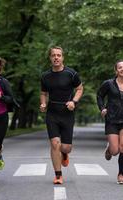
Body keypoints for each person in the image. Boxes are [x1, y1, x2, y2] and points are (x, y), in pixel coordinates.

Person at [40, 46, 83, 184]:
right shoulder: (45, 76)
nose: (56, 57)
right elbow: (43, 93)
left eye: (59, 55)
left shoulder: (71, 74)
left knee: (65, 147)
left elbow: (80, 89)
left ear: (63, 57)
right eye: (53, 55)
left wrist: (74, 102)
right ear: (50, 58)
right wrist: (43, 104)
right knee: (54, 144)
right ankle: (58, 175)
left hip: (67, 113)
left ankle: (64, 154)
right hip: (52, 113)